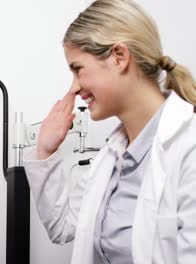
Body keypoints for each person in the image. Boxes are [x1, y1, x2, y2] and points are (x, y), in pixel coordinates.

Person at [23, 0, 196, 263]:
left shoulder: (188, 148)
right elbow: (63, 228)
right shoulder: (110, 158)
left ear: (119, 57)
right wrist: (45, 150)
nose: (74, 89)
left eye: (78, 69)